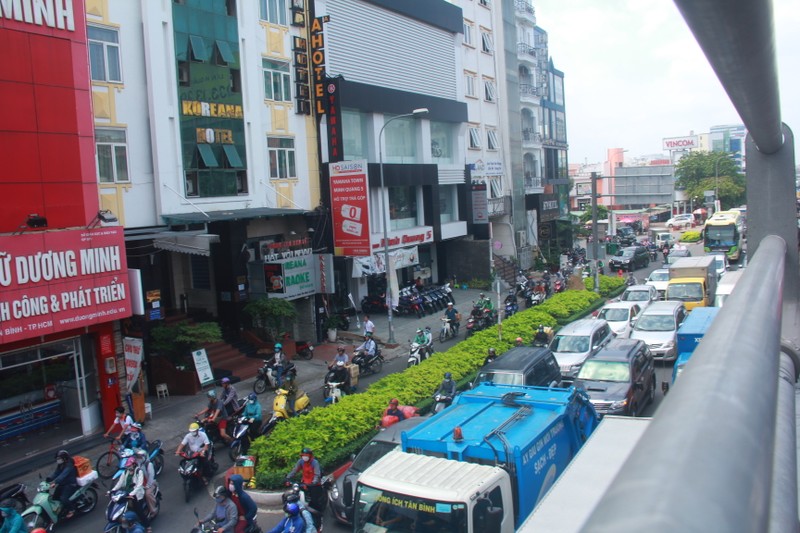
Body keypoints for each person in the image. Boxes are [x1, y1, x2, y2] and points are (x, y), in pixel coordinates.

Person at [112, 456, 150, 531]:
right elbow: (120, 483)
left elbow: (139, 485)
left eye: (129, 465)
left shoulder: (139, 471)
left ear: (134, 464)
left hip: (136, 494)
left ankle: (148, 526)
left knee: (139, 511)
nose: (128, 467)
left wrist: (132, 494)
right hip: (126, 494)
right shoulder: (125, 472)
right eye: (127, 466)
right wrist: (112, 490)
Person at [285, 448, 325, 517]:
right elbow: (295, 470)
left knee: (314, 501)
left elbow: (317, 474)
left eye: (306, 455)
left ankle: (319, 515)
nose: (304, 457)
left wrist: (314, 482)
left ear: (310, 456)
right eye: (303, 455)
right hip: (304, 483)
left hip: (314, 484)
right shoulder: (301, 462)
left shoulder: (315, 463)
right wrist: (288, 478)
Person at [46, 450, 78, 519]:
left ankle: (72, 509)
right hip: (63, 483)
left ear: (64, 458)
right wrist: (49, 479)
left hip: (70, 484)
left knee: (63, 498)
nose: (58, 460)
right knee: (55, 497)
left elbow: (63, 475)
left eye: (59, 459)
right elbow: (56, 473)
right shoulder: (61, 464)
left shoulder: (69, 465)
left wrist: (55, 482)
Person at [134, 448, 158, 520]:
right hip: (140, 484)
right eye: (138, 457)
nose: (138, 458)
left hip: (151, 483)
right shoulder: (137, 465)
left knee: (147, 494)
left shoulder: (149, 464)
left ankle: (153, 510)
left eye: (140, 457)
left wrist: (147, 486)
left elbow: (151, 476)